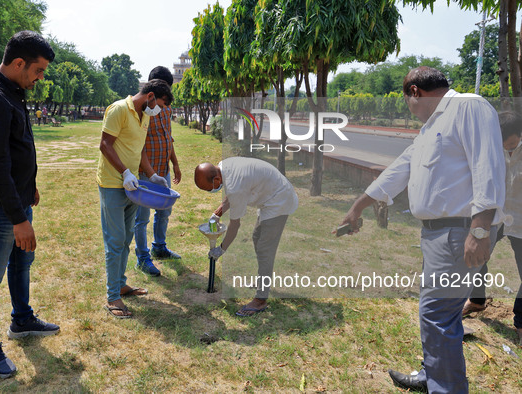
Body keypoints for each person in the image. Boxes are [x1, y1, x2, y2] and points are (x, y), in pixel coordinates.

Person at [339, 67, 506, 393]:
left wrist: (481, 230)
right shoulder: (432, 126)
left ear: (414, 91)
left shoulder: (468, 106)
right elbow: (399, 169)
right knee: (442, 313)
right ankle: (433, 373)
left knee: (436, 313)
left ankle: (444, 387)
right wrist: (358, 206)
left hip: (459, 232)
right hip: (437, 235)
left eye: (407, 101)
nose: (409, 109)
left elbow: (488, 167)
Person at [0, 30, 59, 379]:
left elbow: (17, 146)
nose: (40, 77)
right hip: (1, 208)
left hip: (18, 201)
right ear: (19, 63)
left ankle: (22, 319)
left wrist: (29, 186)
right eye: (38, 70)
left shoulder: (11, 92)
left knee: (22, 263)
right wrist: (19, 218)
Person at [97, 79, 173, 318]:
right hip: (112, 184)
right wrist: (124, 172)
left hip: (133, 186)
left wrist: (151, 174)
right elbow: (105, 144)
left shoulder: (145, 115)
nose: (159, 109)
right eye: (159, 103)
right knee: (115, 241)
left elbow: (139, 150)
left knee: (127, 237)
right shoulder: (119, 109)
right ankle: (112, 297)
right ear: (150, 96)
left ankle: (120, 284)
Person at [194, 157, 298, 316]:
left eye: (208, 189)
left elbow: (235, 225)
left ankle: (260, 299)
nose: (210, 191)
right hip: (270, 193)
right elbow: (232, 192)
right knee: (257, 237)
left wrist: (221, 249)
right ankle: (263, 280)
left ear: (216, 179)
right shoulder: (224, 167)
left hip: (279, 199)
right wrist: (217, 213)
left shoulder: (235, 184)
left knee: (265, 248)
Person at [463, 110, 522, 344]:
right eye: (502, 145)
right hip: (493, 217)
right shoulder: (487, 149)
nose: (507, 150)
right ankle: (477, 300)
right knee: (477, 259)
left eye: (512, 145)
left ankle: (521, 322)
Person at [134, 66, 182, 276]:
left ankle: (159, 247)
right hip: (146, 172)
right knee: (142, 218)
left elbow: (167, 138)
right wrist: (149, 172)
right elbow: (138, 145)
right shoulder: (142, 112)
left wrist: (175, 164)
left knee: (164, 212)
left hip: (163, 170)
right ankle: (142, 258)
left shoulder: (167, 109)